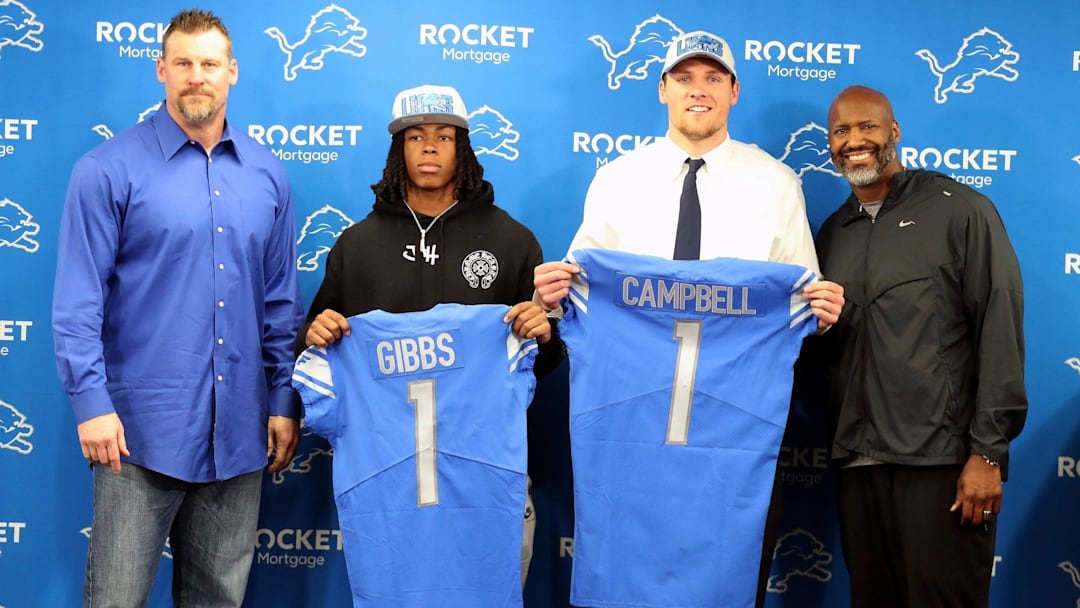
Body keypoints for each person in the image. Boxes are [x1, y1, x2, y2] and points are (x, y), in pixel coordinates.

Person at [533, 30, 844, 607]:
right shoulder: (617, 178)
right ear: (662, 89)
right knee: (626, 559)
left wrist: (820, 313)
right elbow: (580, 294)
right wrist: (556, 293)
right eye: (684, 78)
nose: (698, 90)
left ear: (734, 91)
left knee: (728, 562)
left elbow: (799, 305)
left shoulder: (776, 184)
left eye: (712, 78)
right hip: (632, 416)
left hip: (733, 421)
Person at [52, 9, 302, 607]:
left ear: (232, 72)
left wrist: (283, 399)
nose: (197, 76)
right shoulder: (106, 170)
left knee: (218, 601)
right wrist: (91, 404)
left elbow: (280, 304)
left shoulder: (268, 175)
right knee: (115, 600)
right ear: (160, 69)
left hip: (240, 433)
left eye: (209, 63)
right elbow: (77, 301)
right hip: (136, 435)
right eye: (183, 63)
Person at [296, 84, 558, 587]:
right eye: (415, 137)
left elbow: (539, 365)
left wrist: (543, 336)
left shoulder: (511, 240)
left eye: (444, 136)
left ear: (464, 148)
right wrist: (316, 334)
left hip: (485, 467)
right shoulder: (358, 245)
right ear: (400, 149)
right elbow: (313, 352)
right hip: (387, 473)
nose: (430, 147)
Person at [812, 84, 1027, 607]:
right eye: (841, 131)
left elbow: (999, 326)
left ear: (894, 132)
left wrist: (988, 454)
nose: (855, 141)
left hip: (942, 466)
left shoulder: (960, 210)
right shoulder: (832, 232)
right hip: (858, 467)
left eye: (868, 126)